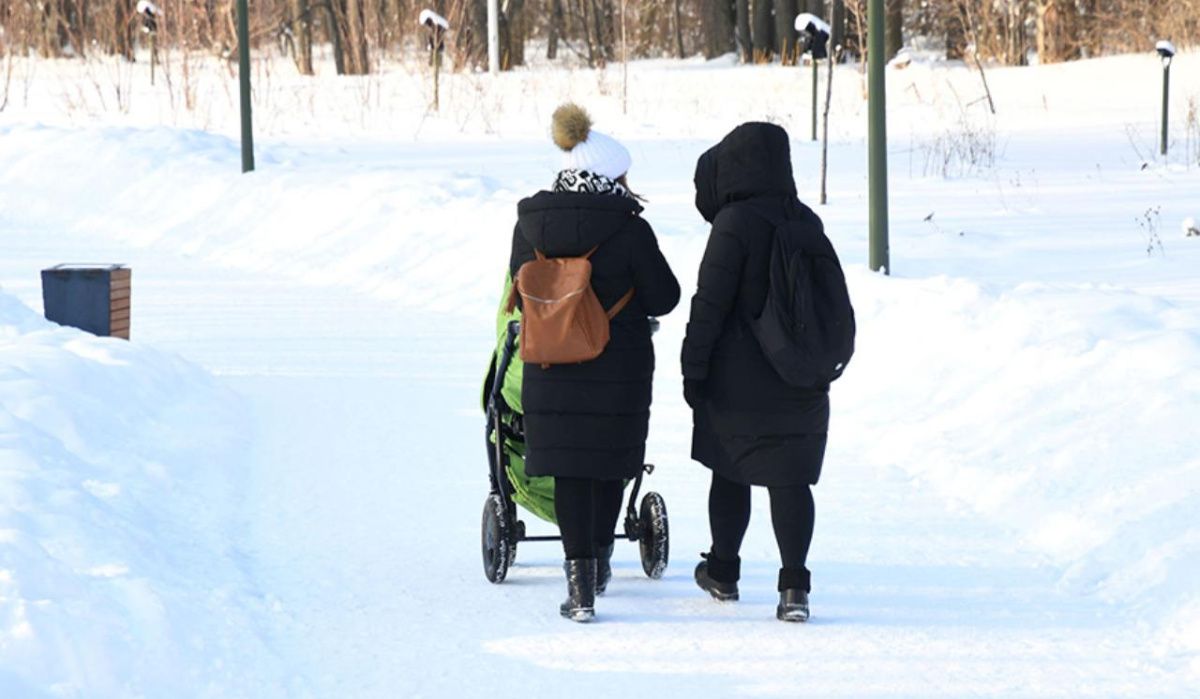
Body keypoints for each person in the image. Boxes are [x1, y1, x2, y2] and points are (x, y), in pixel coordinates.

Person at [509, 104, 679, 622]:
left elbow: (517, 286)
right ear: (610, 176)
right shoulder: (629, 229)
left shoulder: (530, 226)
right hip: (618, 368)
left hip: (549, 365)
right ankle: (601, 562)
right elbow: (664, 296)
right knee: (607, 465)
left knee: (568, 470)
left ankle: (579, 585)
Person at [681, 122, 830, 622]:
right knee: (790, 480)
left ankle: (723, 573)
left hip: (737, 379)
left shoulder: (734, 223)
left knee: (731, 470)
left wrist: (693, 368)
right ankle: (794, 590)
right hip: (800, 377)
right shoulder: (805, 220)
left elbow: (710, 303)